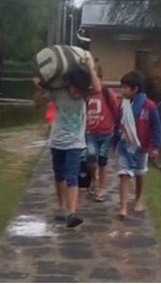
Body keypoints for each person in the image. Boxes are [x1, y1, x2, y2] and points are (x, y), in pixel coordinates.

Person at [33, 58, 101, 228]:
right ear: (68, 84)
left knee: (72, 176)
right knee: (59, 175)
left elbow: (98, 88)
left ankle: (72, 213)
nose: (76, 94)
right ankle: (61, 206)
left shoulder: (84, 95)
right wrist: (40, 89)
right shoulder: (58, 93)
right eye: (74, 90)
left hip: (75, 144)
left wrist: (91, 68)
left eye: (80, 91)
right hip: (57, 142)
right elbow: (38, 104)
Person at [112, 70, 161, 220]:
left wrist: (155, 146)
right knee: (124, 175)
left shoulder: (149, 106)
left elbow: (156, 127)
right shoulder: (123, 106)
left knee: (139, 174)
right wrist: (114, 141)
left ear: (135, 89)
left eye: (125, 88)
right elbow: (117, 124)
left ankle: (138, 199)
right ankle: (123, 207)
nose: (122, 91)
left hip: (141, 146)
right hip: (125, 145)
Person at [85, 66, 119, 202]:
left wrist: (117, 129)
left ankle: (100, 189)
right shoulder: (86, 95)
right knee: (91, 157)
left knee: (103, 162)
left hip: (106, 132)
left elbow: (116, 110)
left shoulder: (106, 93)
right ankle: (94, 177)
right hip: (90, 132)